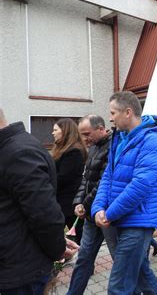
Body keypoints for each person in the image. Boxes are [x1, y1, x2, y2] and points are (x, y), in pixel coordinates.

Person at [91, 91, 157, 294]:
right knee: (141, 275)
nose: (110, 117)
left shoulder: (153, 142)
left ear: (128, 112)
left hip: (137, 221)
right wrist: (98, 207)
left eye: (113, 112)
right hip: (116, 219)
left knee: (118, 286)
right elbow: (108, 176)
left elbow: (140, 186)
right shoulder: (120, 138)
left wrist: (109, 213)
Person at [0, 108, 77, 294]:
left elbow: (43, 214)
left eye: (56, 129)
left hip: (20, 272)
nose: (52, 132)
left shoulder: (18, 152)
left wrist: (57, 246)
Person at [67, 115, 117, 295]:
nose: (85, 138)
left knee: (120, 262)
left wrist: (85, 204)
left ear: (101, 128)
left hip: (107, 215)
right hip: (89, 215)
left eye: (87, 134)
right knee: (83, 259)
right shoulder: (93, 148)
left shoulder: (114, 146)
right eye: (82, 134)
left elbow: (104, 183)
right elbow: (85, 179)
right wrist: (79, 202)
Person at [51, 118, 88, 243]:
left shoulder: (74, 151)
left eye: (56, 130)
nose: (53, 133)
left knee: (80, 237)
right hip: (62, 201)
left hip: (69, 202)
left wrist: (45, 180)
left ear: (65, 131)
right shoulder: (62, 149)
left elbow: (63, 177)